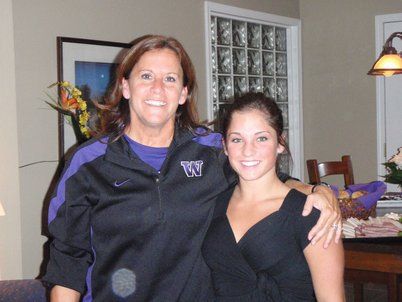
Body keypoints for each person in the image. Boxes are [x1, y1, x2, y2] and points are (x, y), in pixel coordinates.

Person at [43, 35, 342, 302]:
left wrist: (316, 190)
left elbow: (261, 174)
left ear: (183, 93)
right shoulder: (88, 162)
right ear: (125, 86)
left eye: (171, 79)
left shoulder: (212, 150)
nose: (158, 88)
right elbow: (68, 258)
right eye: (146, 76)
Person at [202, 92, 345, 301]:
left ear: (280, 143)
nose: (248, 150)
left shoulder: (312, 215)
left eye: (261, 138)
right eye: (236, 139)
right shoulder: (215, 204)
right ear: (224, 146)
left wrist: (319, 190)